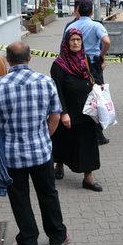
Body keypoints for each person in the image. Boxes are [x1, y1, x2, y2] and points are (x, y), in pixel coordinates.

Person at [0, 42, 70, 245]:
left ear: (7, 59)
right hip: (41, 151)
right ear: (30, 58)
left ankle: (29, 243)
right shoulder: (45, 81)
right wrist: (44, 136)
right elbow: (56, 116)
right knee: (48, 194)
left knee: (20, 198)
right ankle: (57, 236)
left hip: (12, 156)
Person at [51, 28, 102, 192]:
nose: (75, 43)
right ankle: (59, 165)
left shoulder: (85, 59)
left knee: (88, 143)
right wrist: (63, 113)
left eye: (78, 40)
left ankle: (88, 178)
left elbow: (93, 77)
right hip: (68, 111)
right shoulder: (58, 65)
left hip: (87, 111)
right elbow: (57, 91)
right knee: (62, 140)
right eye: (72, 40)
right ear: (66, 42)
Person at [67, 0, 111, 144]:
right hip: (93, 66)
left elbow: (64, 46)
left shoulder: (70, 27)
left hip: (75, 66)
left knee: (79, 97)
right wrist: (102, 55)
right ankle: (98, 135)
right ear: (92, 11)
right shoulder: (96, 25)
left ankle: (79, 132)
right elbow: (107, 41)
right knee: (98, 98)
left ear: (78, 10)